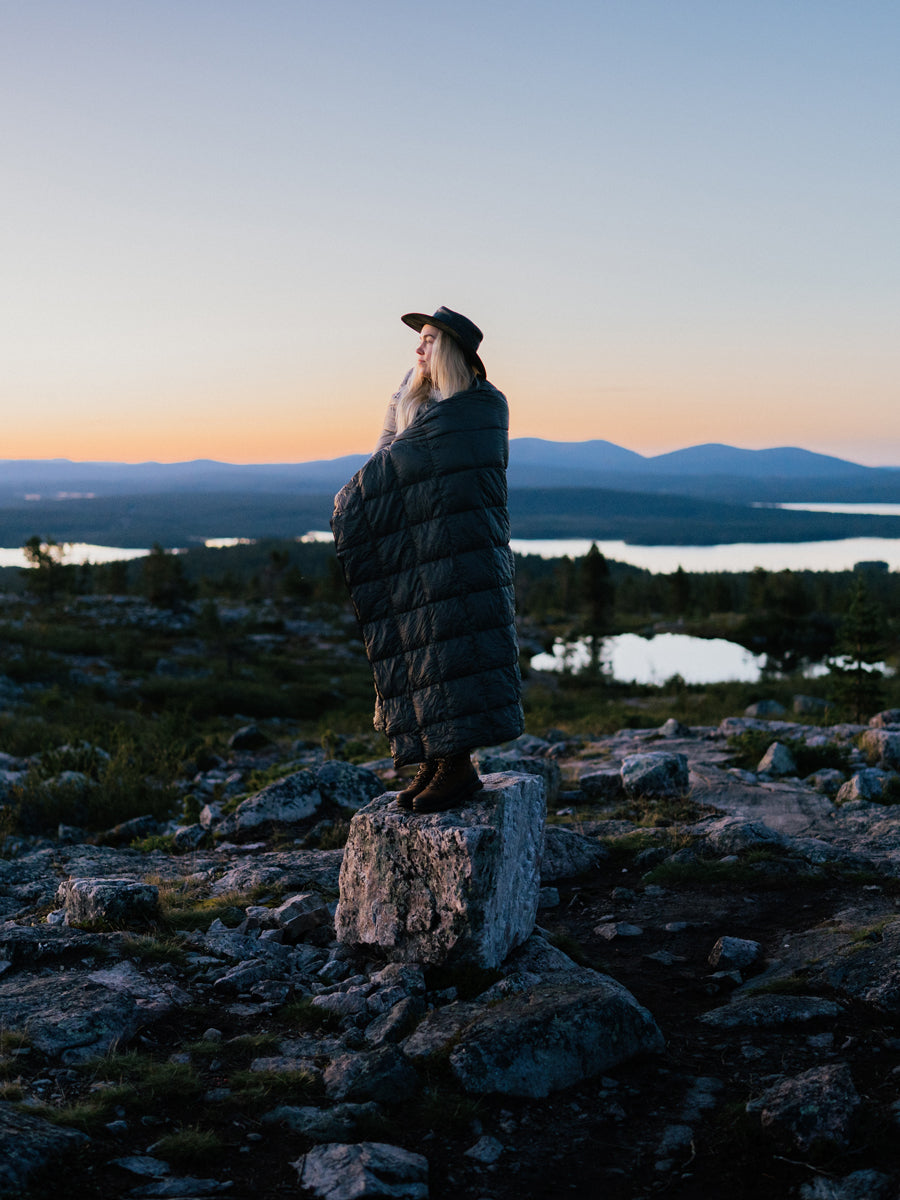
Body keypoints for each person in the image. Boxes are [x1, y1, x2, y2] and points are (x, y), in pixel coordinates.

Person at [330, 306, 524, 813]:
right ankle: (434, 761)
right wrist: (360, 497)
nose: (418, 348)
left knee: (455, 646)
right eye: (419, 339)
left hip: (463, 544)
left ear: (453, 350)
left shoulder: (481, 406)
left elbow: (462, 470)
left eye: (429, 339)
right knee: (423, 648)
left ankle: (458, 766)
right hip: (416, 547)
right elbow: (385, 460)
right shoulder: (411, 396)